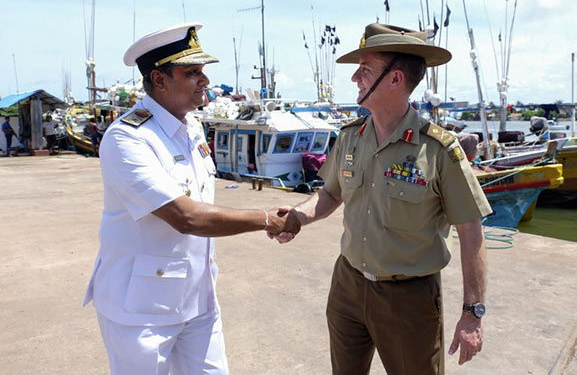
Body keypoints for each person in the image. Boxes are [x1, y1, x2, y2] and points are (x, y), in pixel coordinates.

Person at [270, 23, 492, 374]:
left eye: (365, 69)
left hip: (408, 298)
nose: (355, 78)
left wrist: (472, 312)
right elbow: (330, 193)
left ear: (395, 79)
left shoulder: (437, 150)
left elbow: (471, 230)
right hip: (347, 285)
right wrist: (299, 216)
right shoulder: (350, 137)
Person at [83, 22, 300, 375]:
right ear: (159, 79)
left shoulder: (191, 127)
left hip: (198, 299)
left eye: (203, 71)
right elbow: (186, 217)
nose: (205, 81)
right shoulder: (128, 139)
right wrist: (266, 219)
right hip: (141, 309)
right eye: (192, 72)